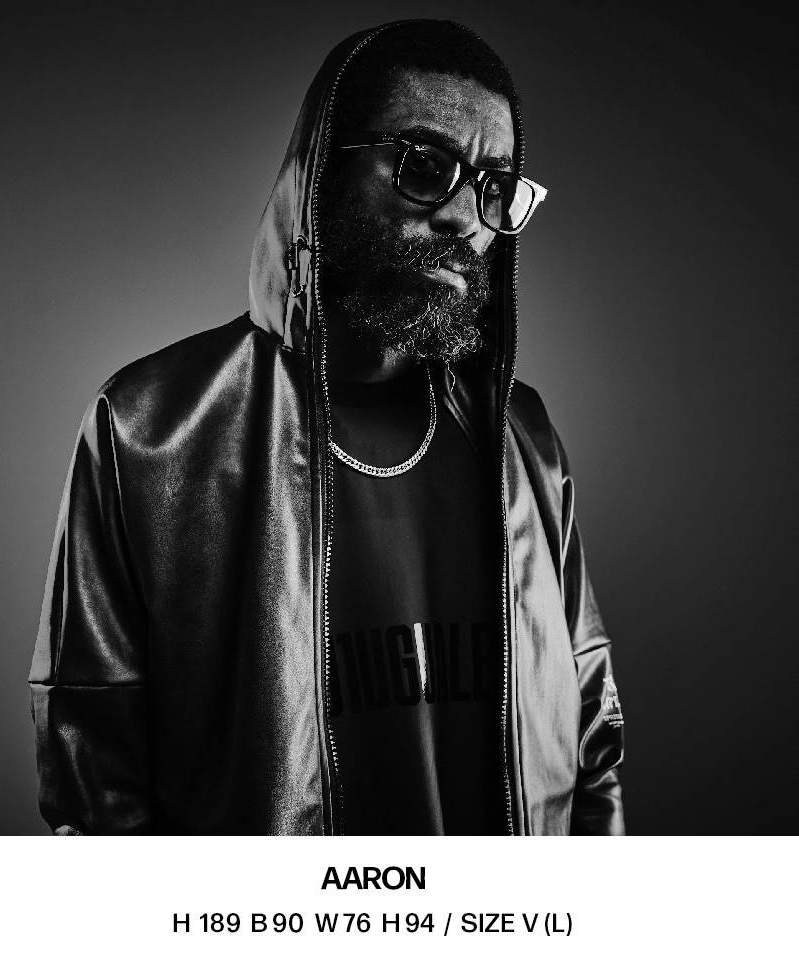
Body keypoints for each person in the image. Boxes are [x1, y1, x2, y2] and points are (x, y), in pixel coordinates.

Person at [30, 19, 624, 835]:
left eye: (495, 188)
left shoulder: (520, 436)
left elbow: (592, 736)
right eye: (424, 166)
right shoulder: (149, 429)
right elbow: (96, 782)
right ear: (324, 172)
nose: (466, 219)